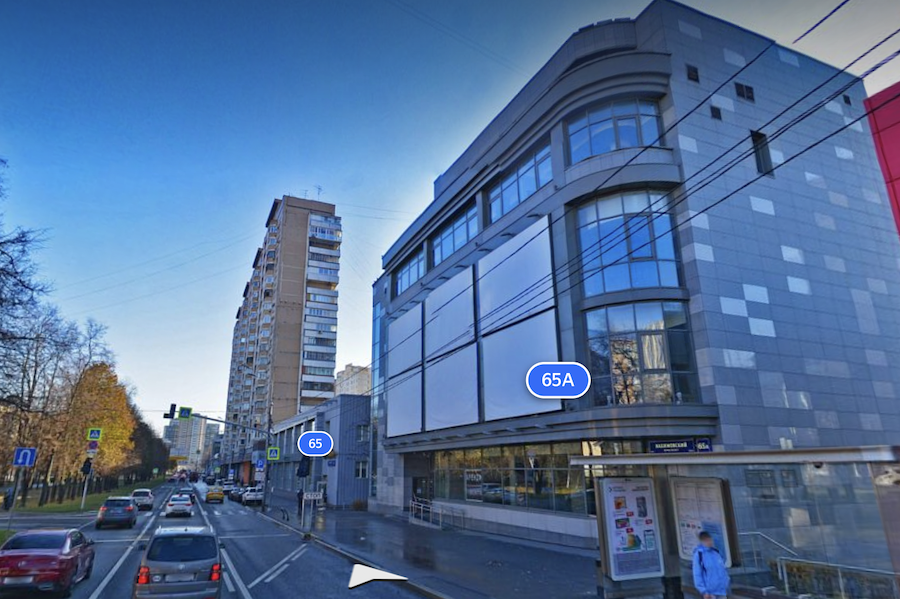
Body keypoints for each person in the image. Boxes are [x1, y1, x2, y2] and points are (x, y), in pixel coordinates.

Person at [692, 531, 730, 599]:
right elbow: (697, 574)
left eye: (710, 540)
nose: (710, 542)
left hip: (721, 591)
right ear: (702, 541)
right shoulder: (699, 555)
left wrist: (726, 581)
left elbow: (722, 569)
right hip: (710, 593)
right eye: (707, 540)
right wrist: (703, 591)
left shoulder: (716, 553)